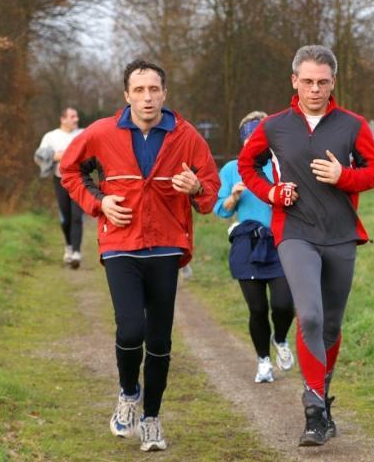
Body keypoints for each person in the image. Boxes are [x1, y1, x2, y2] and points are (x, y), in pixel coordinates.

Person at [59, 59, 220, 452]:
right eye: (139, 90)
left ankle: (151, 419)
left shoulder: (185, 136)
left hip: (166, 245)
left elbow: (211, 192)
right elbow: (70, 172)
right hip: (120, 245)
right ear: (126, 94)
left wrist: (197, 187)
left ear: (165, 94)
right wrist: (100, 202)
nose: (147, 97)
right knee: (131, 329)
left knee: (160, 339)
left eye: (154, 90)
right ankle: (129, 394)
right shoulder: (101, 132)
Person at [238, 45, 374, 447]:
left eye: (322, 82)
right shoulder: (274, 126)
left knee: (332, 324)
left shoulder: (352, 125)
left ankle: (322, 397)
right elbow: (246, 166)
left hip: (340, 234)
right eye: (307, 81)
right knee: (312, 318)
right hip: (296, 232)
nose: (315, 89)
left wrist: (344, 176)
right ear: (294, 81)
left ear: (333, 82)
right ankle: (314, 410)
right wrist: (271, 193)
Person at [214, 111, 295, 384]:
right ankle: (263, 362)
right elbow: (221, 211)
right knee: (257, 309)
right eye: (251, 138)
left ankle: (280, 338)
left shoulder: (283, 164)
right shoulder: (231, 169)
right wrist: (234, 196)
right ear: (245, 141)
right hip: (247, 243)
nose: (257, 143)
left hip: (281, 241)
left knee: (284, 304)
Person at [35, 107, 84, 268]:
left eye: (76, 116)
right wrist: (58, 156)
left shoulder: (83, 134)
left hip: (80, 180)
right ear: (63, 119)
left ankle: (76, 252)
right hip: (60, 180)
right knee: (66, 218)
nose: (76, 119)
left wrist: (70, 155)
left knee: (77, 216)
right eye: (72, 116)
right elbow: (39, 157)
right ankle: (69, 246)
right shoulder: (51, 136)